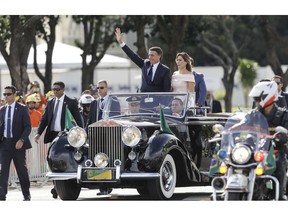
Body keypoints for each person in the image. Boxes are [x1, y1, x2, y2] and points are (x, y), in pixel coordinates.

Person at [34, 81, 83, 199]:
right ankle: (56, 186)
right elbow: (44, 119)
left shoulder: (71, 102)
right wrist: (38, 133)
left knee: (63, 161)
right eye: (53, 89)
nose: (55, 91)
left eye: (57, 89)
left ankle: (59, 187)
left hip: (66, 135)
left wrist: (82, 132)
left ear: (62, 90)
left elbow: (78, 119)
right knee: (53, 160)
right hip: (53, 135)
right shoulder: (50, 103)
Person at [249, 80, 288, 200]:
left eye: (257, 99)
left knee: (278, 163)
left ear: (268, 97)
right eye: (255, 99)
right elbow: (241, 127)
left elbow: (286, 133)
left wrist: (282, 136)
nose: (256, 102)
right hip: (256, 152)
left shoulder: (283, 114)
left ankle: (279, 196)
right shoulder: (253, 114)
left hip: (276, 151)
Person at [0, 85, 32, 201]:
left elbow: (28, 127)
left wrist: (22, 140)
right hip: (5, 144)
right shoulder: (2, 110)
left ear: (14, 95)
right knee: (2, 170)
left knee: (21, 170)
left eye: (8, 94)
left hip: (18, 144)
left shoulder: (22, 109)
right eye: (4, 94)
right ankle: (1, 194)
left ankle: (26, 194)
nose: (6, 96)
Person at [115, 27, 171, 92]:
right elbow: (132, 56)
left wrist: (163, 102)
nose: (150, 57)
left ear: (159, 56)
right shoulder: (144, 64)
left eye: (152, 55)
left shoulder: (165, 70)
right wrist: (121, 42)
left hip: (157, 100)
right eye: (149, 55)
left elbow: (166, 90)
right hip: (143, 99)